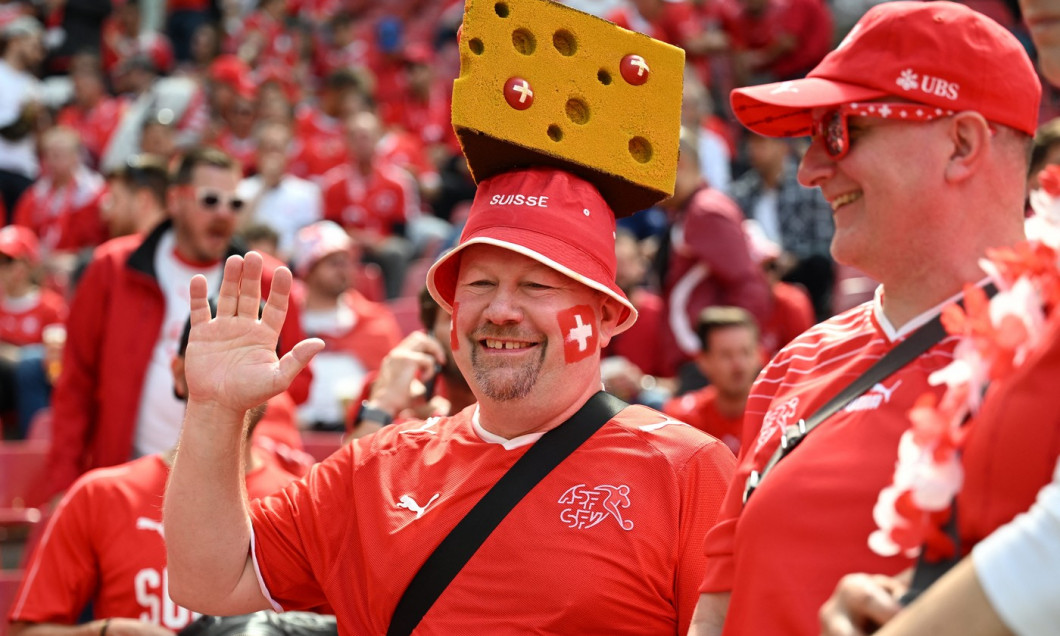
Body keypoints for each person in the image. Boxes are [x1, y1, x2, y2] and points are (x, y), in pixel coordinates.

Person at [164, 167, 736, 634]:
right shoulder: (377, 468)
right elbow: (211, 579)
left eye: (537, 285)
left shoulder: (686, 471)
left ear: (607, 316)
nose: (502, 311)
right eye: (480, 284)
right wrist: (215, 409)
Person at [686, 3, 1040, 635]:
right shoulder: (794, 362)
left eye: (842, 131)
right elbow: (719, 608)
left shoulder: (1048, 355)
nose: (810, 170)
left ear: (961, 144)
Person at [36, 147, 310, 503]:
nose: (224, 214)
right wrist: (64, 482)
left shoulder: (269, 281)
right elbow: (76, 382)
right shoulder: (112, 268)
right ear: (175, 200)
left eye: (235, 203)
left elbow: (289, 391)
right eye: (210, 200)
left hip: (228, 489)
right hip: (129, 480)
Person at [7, 311, 301, 635]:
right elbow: (27, 631)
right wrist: (108, 632)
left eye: (251, 362)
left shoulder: (301, 505)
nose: (230, 380)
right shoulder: (101, 495)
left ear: (276, 386)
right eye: (213, 362)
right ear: (178, 374)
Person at [291, 220, 402, 429]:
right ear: (308, 269)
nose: (344, 269)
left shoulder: (374, 320)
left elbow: (393, 384)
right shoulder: (287, 320)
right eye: (333, 263)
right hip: (296, 431)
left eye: (346, 261)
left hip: (358, 431)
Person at [663, 306, 760, 456]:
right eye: (726, 355)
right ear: (703, 361)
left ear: (759, 355)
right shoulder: (682, 420)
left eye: (746, 352)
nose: (738, 365)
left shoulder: (777, 416)